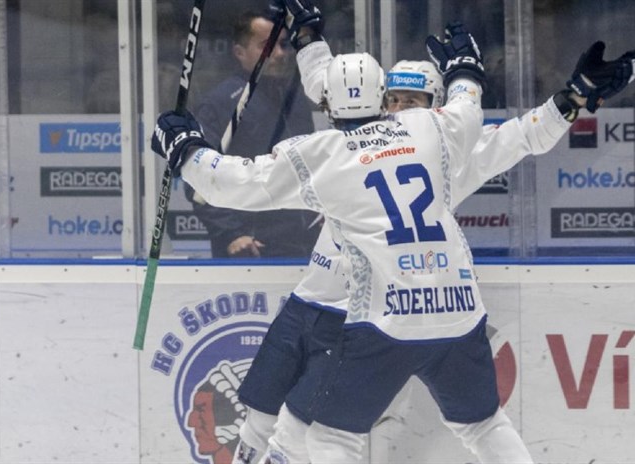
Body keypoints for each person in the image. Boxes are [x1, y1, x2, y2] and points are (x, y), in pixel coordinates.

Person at [152, 5, 635, 463]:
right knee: (266, 422)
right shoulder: (434, 134)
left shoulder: (339, 152)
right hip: (365, 303)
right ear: (381, 99)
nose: (401, 107)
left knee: (307, 432)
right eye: (394, 99)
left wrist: (187, 151)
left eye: (413, 101)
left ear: (432, 105)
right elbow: (344, 87)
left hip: (374, 314)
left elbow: (518, 135)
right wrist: (310, 38)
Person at [186, 9, 321, 258]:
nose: (279, 53)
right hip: (253, 247)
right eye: (267, 46)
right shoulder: (219, 104)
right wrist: (231, 234)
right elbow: (198, 176)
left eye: (283, 44)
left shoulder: (294, 97)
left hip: (304, 242)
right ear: (240, 52)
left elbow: (310, 163)